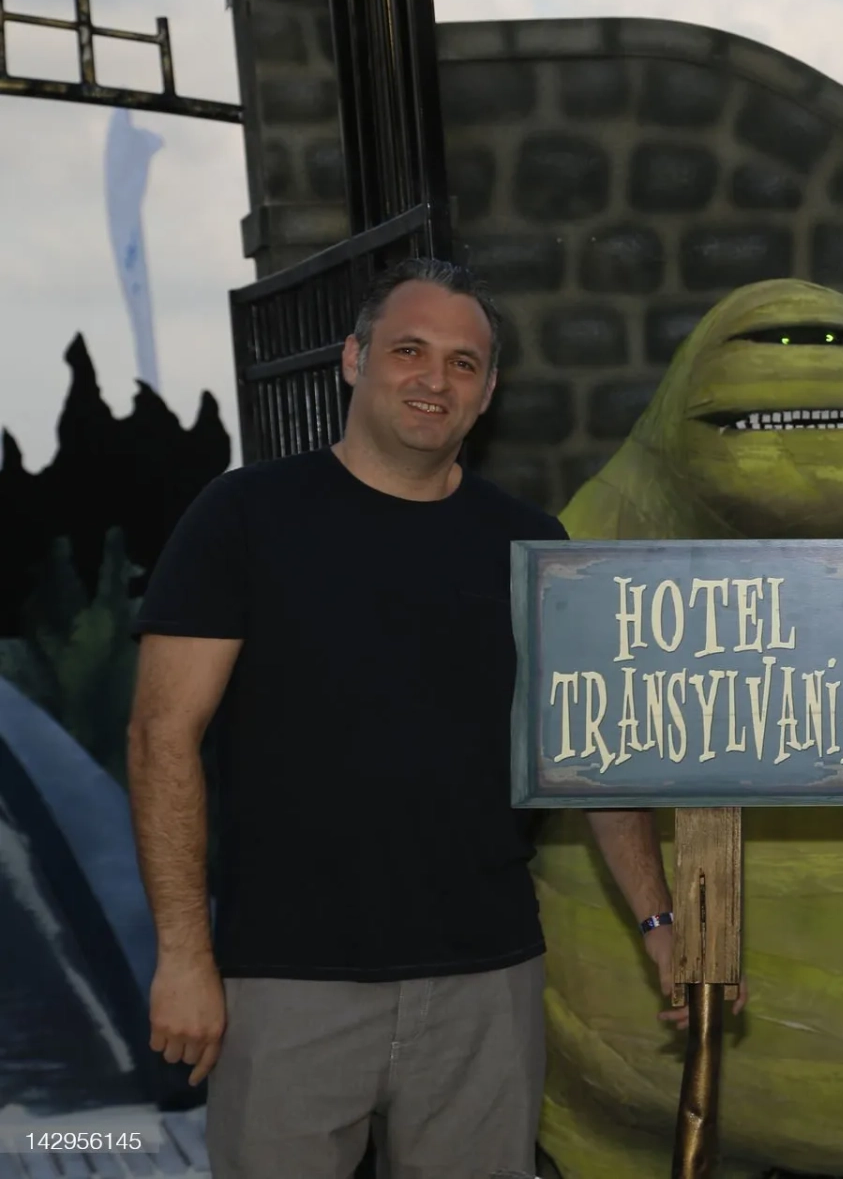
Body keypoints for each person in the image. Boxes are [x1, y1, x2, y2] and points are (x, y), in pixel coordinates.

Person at [125, 258, 678, 1178]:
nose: (435, 379)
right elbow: (158, 739)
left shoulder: (531, 543)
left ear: (489, 390)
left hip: (485, 987)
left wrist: (661, 927)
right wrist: (185, 957)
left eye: (464, 363)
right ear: (353, 359)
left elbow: (592, 752)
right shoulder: (244, 517)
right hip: (288, 984)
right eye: (409, 351)